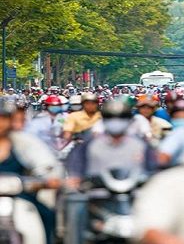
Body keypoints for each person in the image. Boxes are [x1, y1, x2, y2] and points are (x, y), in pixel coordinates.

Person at [0, 98, 62, 244]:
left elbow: (46, 164)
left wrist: (48, 179)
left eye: (3, 118)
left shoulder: (24, 142)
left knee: (46, 216)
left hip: (21, 197)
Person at [65, 99, 158, 181]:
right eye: (110, 117)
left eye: (122, 117)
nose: (116, 121)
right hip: (96, 192)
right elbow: (75, 166)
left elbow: (153, 167)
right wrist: (75, 179)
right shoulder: (90, 145)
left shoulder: (140, 144)